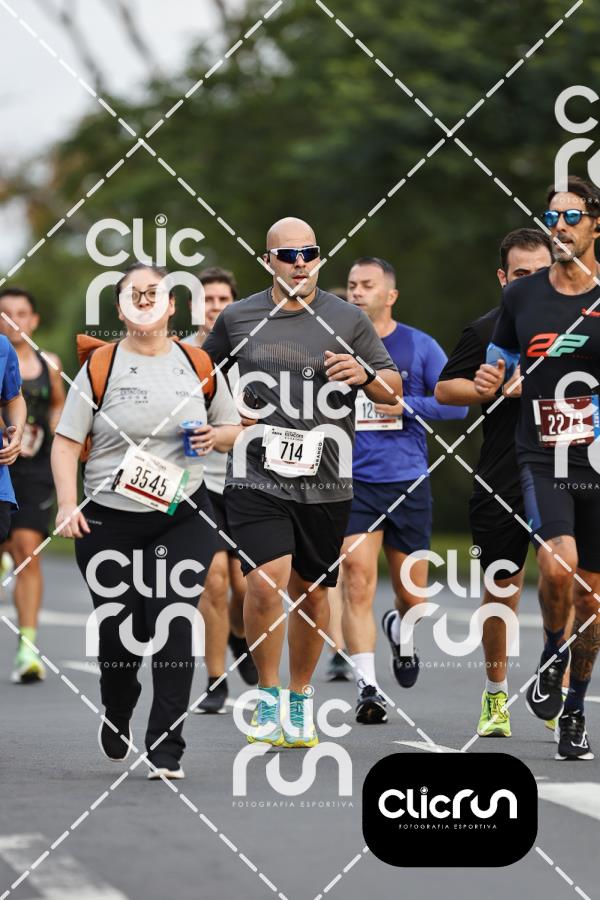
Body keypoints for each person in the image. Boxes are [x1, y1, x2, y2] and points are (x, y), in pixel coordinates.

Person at [203, 217, 401, 748]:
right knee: (265, 581)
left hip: (326, 478)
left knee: (312, 595)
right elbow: (199, 376)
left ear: (318, 257)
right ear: (267, 260)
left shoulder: (348, 319)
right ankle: (268, 695)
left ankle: (298, 697)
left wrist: (364, 375)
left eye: (308, 253)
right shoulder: (239, 317)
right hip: (255, 473)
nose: (299, 263)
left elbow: (392, 390)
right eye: (287, 255)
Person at [51, 262, 240, 779]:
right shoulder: (102, 365)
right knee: (120, 632)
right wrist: (67, 505)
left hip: (183, 512)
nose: (144, 300)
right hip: (108, 518)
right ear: (120, 309)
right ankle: (118, 704)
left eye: (154, 292)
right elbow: (66, 443)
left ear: (171, 305)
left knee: (174, 620)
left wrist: (215, 437)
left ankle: (166, 745)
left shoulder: (198, 362)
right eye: (133, 294)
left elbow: (232, 428)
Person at [474, 176, 600, 761]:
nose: (560, 227)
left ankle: (574, 709)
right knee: (556, 566)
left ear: (596, 225)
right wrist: (492, 376)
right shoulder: (522, 297)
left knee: (592, 602)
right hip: (544, 454)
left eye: (572, 217)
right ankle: (553, 649)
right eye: (553, 217)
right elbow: (498, 360)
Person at [339, 257, 468, 723]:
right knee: (356, 576)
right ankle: (368, 687)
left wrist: (404, 405)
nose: (356, 292)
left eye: (367, 285)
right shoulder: (334, 346)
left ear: (390, 295)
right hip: (352, 482)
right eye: (351, 285)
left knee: (413, 596)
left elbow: (456, 407)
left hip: (407, 481)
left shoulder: (418, 345)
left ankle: (400, 625)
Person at [435, 229, 553, 737]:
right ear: (503, 278)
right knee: (501, 591)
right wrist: (489, 387)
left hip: (565, 474)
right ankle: (496, 693)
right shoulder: (486, 330)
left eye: (541, 272)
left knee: (563, 581)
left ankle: (556, 680)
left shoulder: (580, 325)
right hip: (502, 476)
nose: (532, 282)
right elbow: (445, 389)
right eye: (521, 274)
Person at [182, 266, 256, 713]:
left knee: (245, 587)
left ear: (234, 305)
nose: (214, 307)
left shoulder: (254, 351)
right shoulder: (179, 356)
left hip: (248, 480)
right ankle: (214, 680)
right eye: (206, 300)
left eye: (222, 300)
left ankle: (239, 634)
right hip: (199, 482)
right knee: (213, 582)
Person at [0, 288, 65, 684]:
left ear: (34, 320)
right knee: (9, 544)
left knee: (28, 551)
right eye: (5, 313)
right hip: (4, 462)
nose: (13, 321)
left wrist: (52, 433)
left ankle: (27, 648)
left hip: (36, 467)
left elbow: (57, 403)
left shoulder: (49, 363)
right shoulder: (1, 356)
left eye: (21, 313)